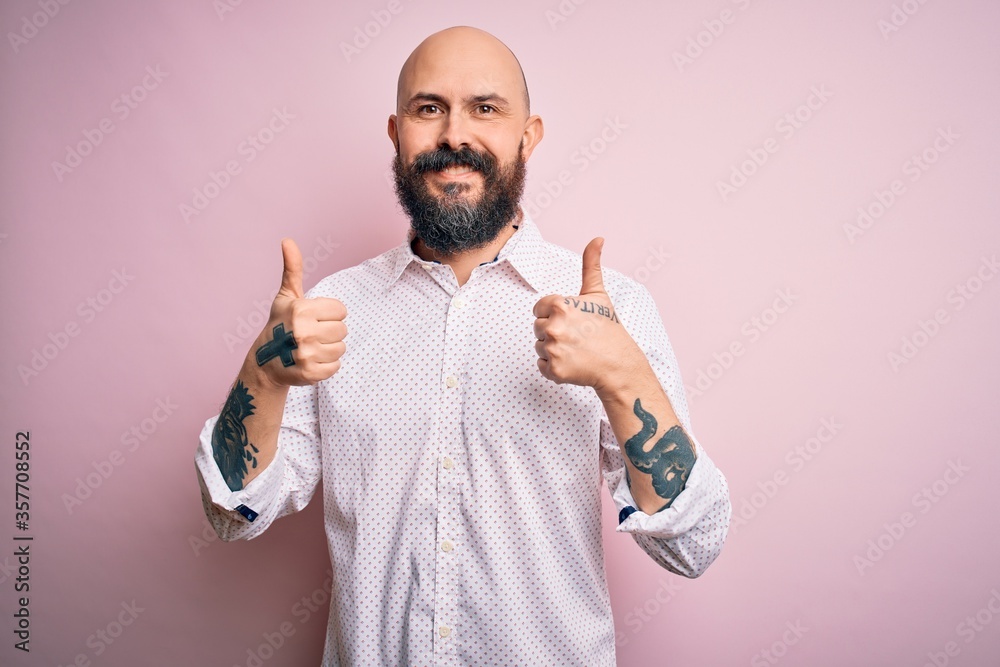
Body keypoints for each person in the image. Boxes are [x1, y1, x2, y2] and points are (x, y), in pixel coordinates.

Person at [195, 25, 731, 667]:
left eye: (485, 108)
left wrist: (623, 377)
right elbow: (232, 515)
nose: (454, 134)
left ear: (527, 136)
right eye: (429, 109)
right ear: (397, 135)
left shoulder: (611, 310)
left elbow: (692, 546)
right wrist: (263, 375)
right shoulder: (329, 311)